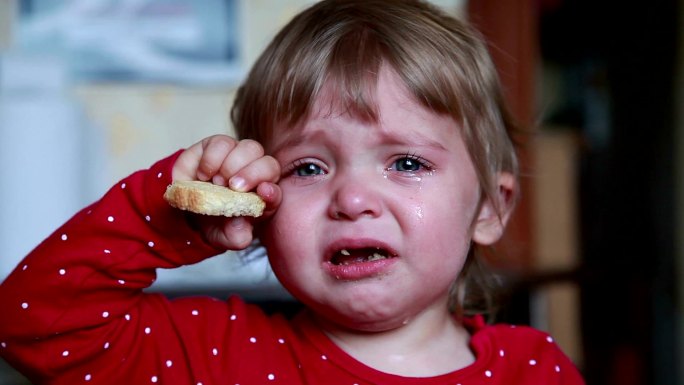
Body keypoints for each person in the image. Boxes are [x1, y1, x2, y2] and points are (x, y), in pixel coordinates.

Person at [0, 0, 585, 384]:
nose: (352, 199)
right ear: (259, 205)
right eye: (307, 168)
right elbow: (29, 323)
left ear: (490, 207)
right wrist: (165, 212)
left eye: (406, 162)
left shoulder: (531, 370)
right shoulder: (213, 353)